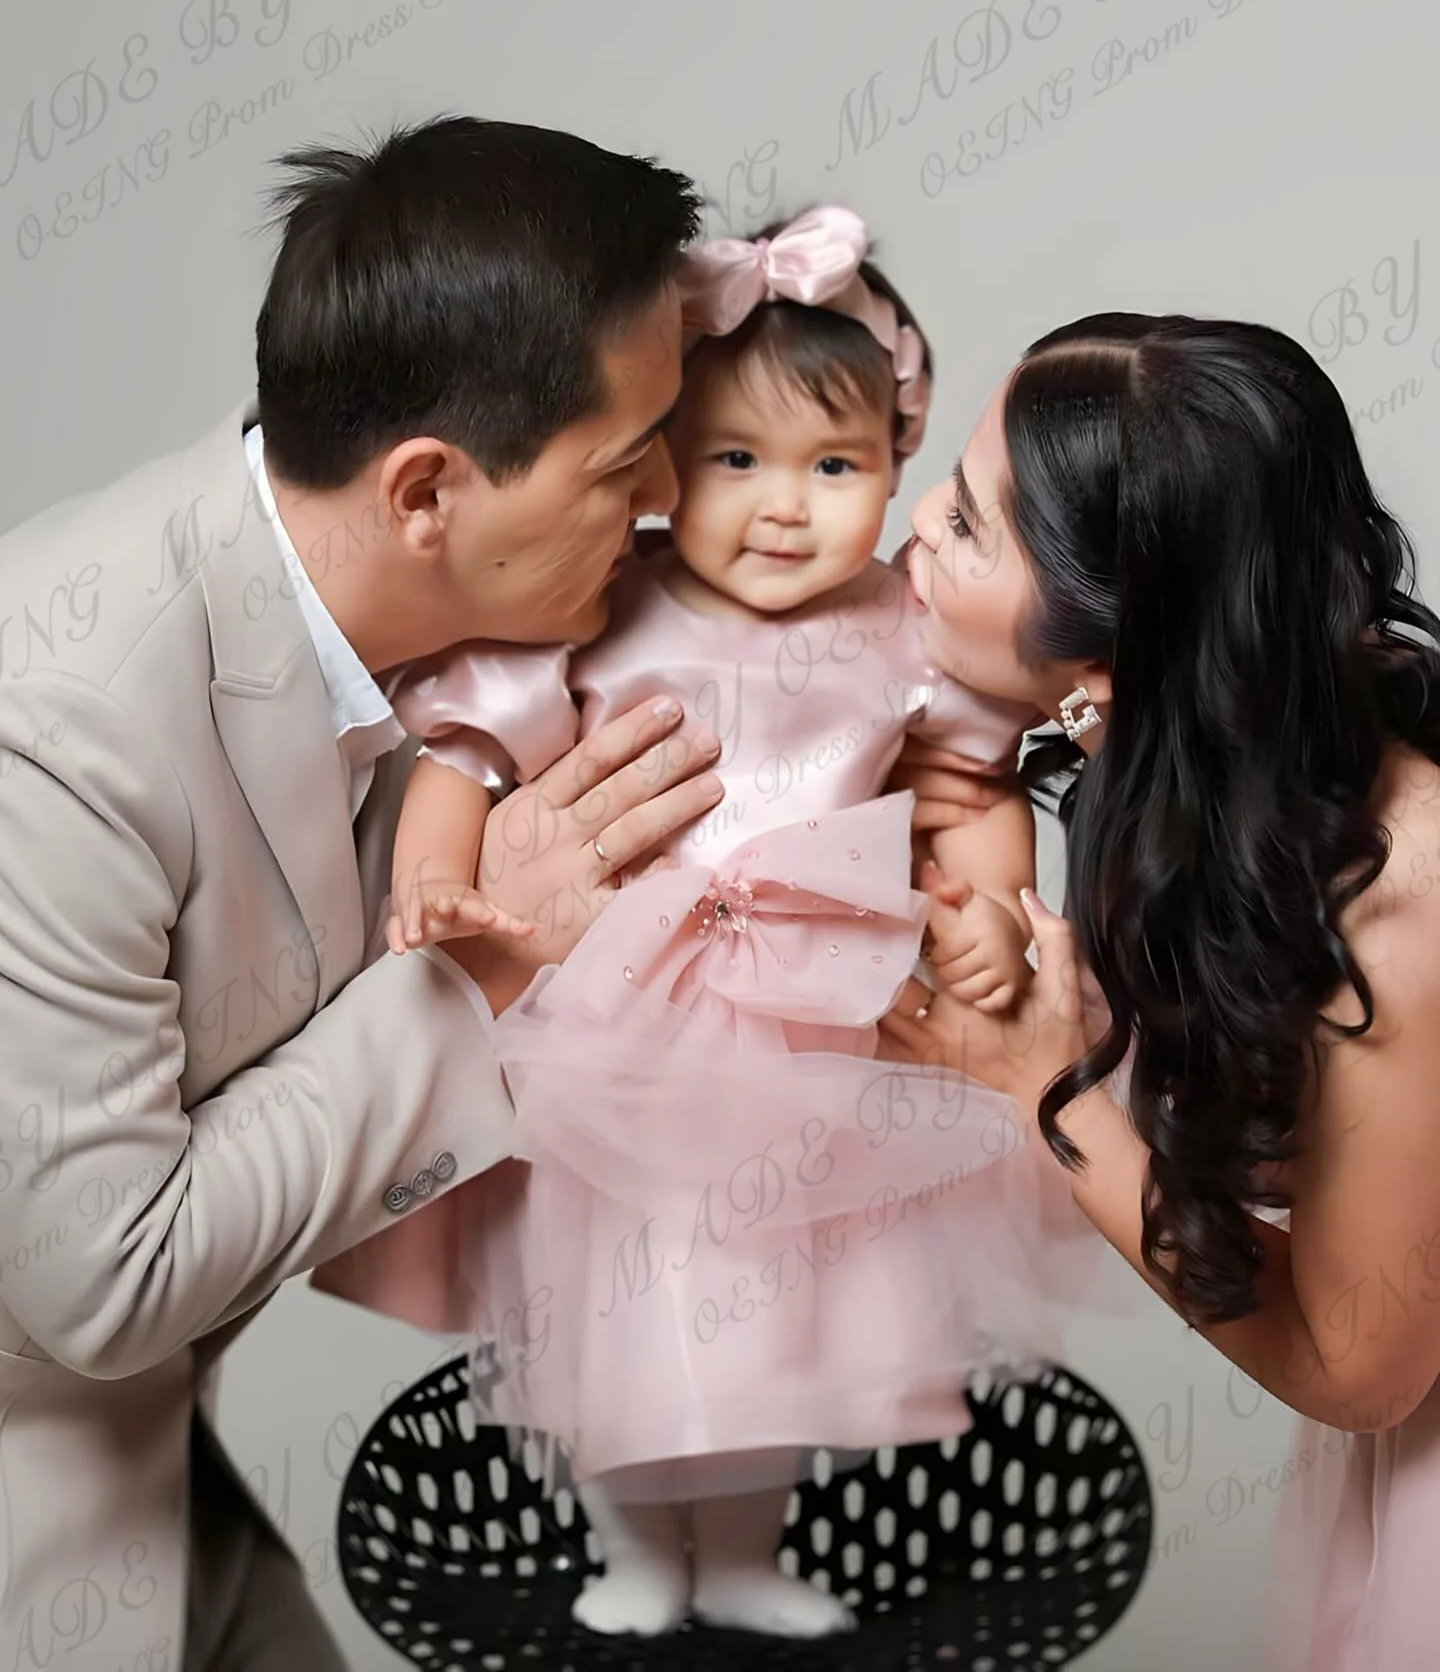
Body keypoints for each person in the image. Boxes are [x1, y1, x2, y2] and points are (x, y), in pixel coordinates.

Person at [314, 204, 1113, 1642]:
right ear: (661, 458)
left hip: (831, 1034)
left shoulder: (903, 633)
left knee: (793, 1324)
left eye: (836, 466)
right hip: (619, 1036)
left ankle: (742, 1552)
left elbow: (966, 786)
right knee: (617, 1320)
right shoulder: (598, 607)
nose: (785, 505)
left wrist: (995, 905)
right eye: (736, 459)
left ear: (898, 468)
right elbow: (469, 755)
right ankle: (636, 1545)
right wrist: (434, 879)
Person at [0, 116, 727, 1670]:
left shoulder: (454, 640)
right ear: (424, 495)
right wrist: (478, 972)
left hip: (156, 1461)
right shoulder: (55, 727)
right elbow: (105, 1277)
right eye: (624, 462)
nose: (670, 495)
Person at [881, 312, 1440, 1672]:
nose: (910, 536)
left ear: (1103, 661)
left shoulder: (1402, 912)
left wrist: (1051, 1100)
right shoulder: (1253, 741)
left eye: (965, 527)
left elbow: (1361, 1367)